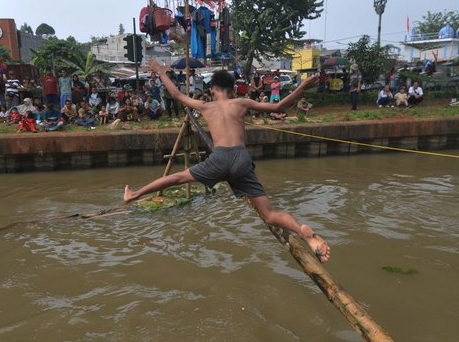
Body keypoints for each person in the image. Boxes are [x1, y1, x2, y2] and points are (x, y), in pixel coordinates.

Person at [124, 60, 330, 263]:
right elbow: (279, 105)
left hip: (219, 158)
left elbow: (176, 95)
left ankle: (134, 194)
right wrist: (302, 86)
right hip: (241, 158)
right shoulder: (241, 103)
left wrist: (160, 72)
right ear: (232, 91)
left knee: (177, 177)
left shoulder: (205, 106)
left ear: (212, 89)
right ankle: (302, 232)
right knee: (270, 214)